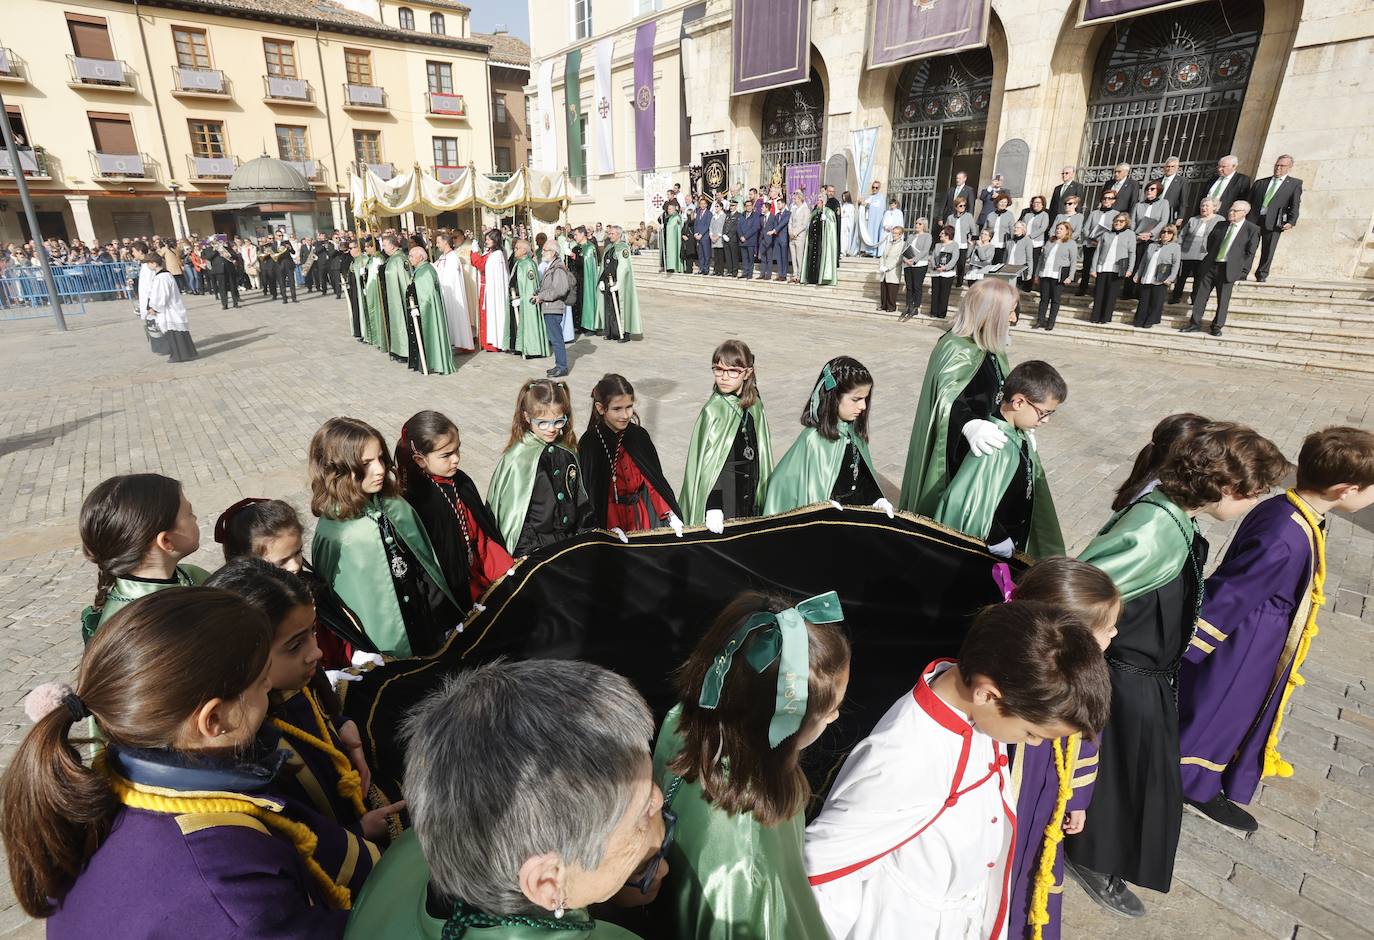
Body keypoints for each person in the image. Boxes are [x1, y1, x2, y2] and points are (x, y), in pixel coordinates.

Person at [2, 589, 374, 936]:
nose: (269, 693)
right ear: (213, 721)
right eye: (262, 684)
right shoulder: (231, 889)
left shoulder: (110, 791)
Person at [1066, 422, 1288, 917]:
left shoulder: (1179, 518)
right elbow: (1080, 600)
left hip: (1149, 674)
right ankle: (1093, 857)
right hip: (1122, 676)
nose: (1255, 506)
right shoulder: (1151, 529)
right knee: (1116, 775)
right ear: (1227, 489)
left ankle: (1104, 853)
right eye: (1254, 495)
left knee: (1137, 775)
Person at [805, 601, 1112, 940]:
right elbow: (822, 870)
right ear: (987, 694)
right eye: (1032, 734)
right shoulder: (905, 756)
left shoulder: (983, 708)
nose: (1035, 745)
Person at [344, 659, 661, 939]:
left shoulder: (408, 850)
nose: (659, 800)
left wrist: (593, 879)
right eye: (642, 812)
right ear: (547, 883)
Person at [1178, 426, 1374, 833]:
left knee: (1234, 713)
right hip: (1246, 640)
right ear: (1344, 490)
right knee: (1219, 709)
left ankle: (1205, 779)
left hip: (1263, 634)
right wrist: (1188, 646)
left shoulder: (1288, 509)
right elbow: (1233, 592)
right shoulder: (1285, 534)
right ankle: (1185, 780)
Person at [653, 590, 850, 940]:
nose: (835, 715)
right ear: (781, 727)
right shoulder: (746, 861)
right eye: (829, 709)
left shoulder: (684, 722)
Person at [206, 558, 404, 844]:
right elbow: (291, 840)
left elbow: (327, 712)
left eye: (313, 632)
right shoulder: (245, 741)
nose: (317, 653)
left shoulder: (297, 678)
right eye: (295, 645)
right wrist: (358, 833)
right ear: (243, 656)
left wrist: (343, 726)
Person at [1002, 558, 1121, 940]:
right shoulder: (1015, 698)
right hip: (1013, 812)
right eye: (1105, 629)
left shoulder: (1088, 678)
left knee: (1034, 875)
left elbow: (1088, 740)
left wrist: (1078, 799)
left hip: (1048, 809)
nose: (1114, 634)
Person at [309, 416, 462, 657]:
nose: (380, 469)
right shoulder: (335, 535)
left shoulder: (395, 505)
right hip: (383, 647)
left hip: (424, 625)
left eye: (380, 458)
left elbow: (425, 566)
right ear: (337, 469)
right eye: (366, 463)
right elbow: (339, 608)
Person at [898, 278, 1018, 517]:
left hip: (983, 449)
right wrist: (969, 424)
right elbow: (947, 398)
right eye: (1011, 312)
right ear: (990, 313)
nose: (1014, 319)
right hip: (956, 451)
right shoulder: (957, 347)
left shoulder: (989, 346)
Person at [213, 496, 375, 668]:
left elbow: (336, 637)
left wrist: (354, 654)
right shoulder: (251, 616)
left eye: (297, 552)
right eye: (281, 562)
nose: (295, 565)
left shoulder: (310, 586)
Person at [933, 360, 1066, 558]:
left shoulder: (1019, 434)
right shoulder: (993, 446)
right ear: (1019, 402)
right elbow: (964, 504)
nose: (1046, 420)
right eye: (1043, 413)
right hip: (992, 550)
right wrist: (995, 535)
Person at [396, 410, 513, 610]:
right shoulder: (418, 501)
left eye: (457, 450)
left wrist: (505, 569)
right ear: (419, 459)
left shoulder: (462, 481)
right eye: (446, 455)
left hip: (482, 568)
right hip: (455, 590)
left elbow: (482, 536)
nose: (456, 459)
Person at [77, 472, 207, 642]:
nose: (195, 517)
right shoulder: (136, 629)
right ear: (166, 541)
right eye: (189, 513)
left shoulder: (192, 575)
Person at [764, 356, 891, 515]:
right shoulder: (813, 441)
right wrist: (820, 505)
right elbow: (781, 484)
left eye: (865, 399)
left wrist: (876, 498)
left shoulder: (852, 433)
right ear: (834, 397)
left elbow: (860, 479)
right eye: (856, 399)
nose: (863, 406)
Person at [486, 379, 595, 555]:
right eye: (542, 423)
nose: (551, 429)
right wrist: (532, 551)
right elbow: (515, 518)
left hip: (570, 539)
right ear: (527, 417)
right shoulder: (518, 459)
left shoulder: (567, 451)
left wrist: (587, 532)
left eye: (559, 421)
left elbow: (579, 499)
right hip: (536, 546)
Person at [680, 339, 774, 531]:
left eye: (733, 371)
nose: (724, 377)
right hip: (726, 498)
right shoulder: (713, 410)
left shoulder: (755, 405)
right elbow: (708, 466)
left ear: (747, 373)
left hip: (750, 491)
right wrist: (713, 506)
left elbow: (762, 452)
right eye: (718, 370)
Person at [578, 374, 684, 534]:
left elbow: (653, 482)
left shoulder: (639, 436)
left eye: (629, 407)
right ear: (601, 408)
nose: (625, 415)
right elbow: (593, 494)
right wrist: (610, 527)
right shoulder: (591, 442)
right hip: (609, 520)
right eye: (617, 409)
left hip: (640, 518)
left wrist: (669, 512)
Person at [1182, 200, 1260, 337]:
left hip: (1229, 269)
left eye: (1235, 211)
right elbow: (1210, 241)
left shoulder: (1252, 229)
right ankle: (1194, 323)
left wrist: (1241, 270)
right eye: (1230, 210)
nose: (1231, 213)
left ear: (1244, 213)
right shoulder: (1221, 225)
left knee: (1223, 299)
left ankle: (1217, 326)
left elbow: (1250, 252)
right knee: (1201, 295)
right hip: (1211, 265)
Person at [1247, 154, 1302, 282]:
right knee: (1249, 248)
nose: (1278, 168)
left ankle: (1262, 274)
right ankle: (1243, 272)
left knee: (1268, 249)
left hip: (1274, 221)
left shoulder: (1294, 184)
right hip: (1254, 219)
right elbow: (1248, 201)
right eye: (1277, 165)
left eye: (1282, 166)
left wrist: (1291, 221)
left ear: (1289, 167)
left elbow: (1295, 204)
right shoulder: (1261, 182)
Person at [406, 245, 457, 374]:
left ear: (421, 257)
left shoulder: (426, 271)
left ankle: (433, 362)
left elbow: (428, 296)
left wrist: (419, 308)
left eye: (412, 256)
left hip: (425, 312)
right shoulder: (419, 270)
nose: (409, 258)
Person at [143, 254, 199, 362]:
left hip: (169, 309)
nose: (147, 266)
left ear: (154, 263)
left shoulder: (161, 277)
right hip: (170, 307)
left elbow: (161, 295)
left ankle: (178, 355)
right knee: (177, 332)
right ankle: (185, 353)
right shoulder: (164, 275)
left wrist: (154, 307)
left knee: (174, 332)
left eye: (148, 263)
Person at [1170, 197, 1223, 305]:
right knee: (1181, 277)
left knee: (1199, 278)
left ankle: (1195, 299)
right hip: (1186, 252)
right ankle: (1176, 296)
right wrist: (1178, 247)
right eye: (1202, 205)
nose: (1204, 208)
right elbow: (1182, 234)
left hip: (1204, 254)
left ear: (1214, 207)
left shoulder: (1220, 220)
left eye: (1207, 206)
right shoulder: (1193, 219)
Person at [534, 242, 574, 377]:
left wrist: (542, 296)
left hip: (554, 308)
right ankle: (559, 364)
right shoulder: (551, 267)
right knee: (555, 338)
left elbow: (560, 290)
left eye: (545, 250)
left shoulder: (558, 268)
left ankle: (562, 367)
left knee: (557, 339)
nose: (543, 252)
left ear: (553, 252)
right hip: (550, 307)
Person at [1126, 180, 1171, 300]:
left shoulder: (1164, 203)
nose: (1149, 191)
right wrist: (1137, 235)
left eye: (1152, 189)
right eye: (1147, 189)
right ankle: (1129, 291)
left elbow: (1163, 221)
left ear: (1158, 191)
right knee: (1134, 264)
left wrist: (1151, 234)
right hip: (1138, 239)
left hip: (1153, 240)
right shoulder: (1138, 205)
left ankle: (1141, 293)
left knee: (1147, 264)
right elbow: (1133, 222)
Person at [1131, 223, 1181, 329]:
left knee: (1156, 301)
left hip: (1161, 278)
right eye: (1163, 232)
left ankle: (1150, 320)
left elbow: (1176, 264)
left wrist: (1171, 278)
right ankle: (1139, 319)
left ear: (1173, 235)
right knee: (1144, 300)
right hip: (1148, 275)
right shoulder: (1152, 245)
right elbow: (1143, 262)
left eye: (1169, 233)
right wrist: (1138, 274)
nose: (1165, 235)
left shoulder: (1175, 247)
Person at [1033, 221, 1080, 331]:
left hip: (1058, 275)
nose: (1058, 230)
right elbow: (1041, 258)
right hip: (1045, 273)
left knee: (1055, 299)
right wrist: (1037, 274)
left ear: (1067, 231)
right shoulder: (1050, 241)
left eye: (1061, 229)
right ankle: (1040, 320)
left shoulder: (1071, 243)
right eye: (1057, 228)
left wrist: (1070, 276)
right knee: (1044, 299)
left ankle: (1051, 322)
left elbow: (1073, 262)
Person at [433, 231, 476, 353]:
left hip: (453, 295)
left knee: (456, 318)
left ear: (446, 242)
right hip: (446, 295)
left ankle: (462, 343)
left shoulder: (453, 257)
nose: (437, 245)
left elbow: (449, 277)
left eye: (438, 242)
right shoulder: (442, 257)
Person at [1089, 212, 1135, 324]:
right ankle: (1095, 317)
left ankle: (1105, 318)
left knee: (1111, 294)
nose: (1118, 223)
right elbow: (1098, 251)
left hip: (1118, 268)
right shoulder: (1106, 234)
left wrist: (1130, 269)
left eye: (1121, 221)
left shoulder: (1130, 234)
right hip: (1103, 266)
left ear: (1126, 223)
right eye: (1116, 221)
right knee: (1099, 293)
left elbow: (1132, 253)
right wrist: (1093, 268)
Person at [597, 226, 641, 342]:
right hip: (608, 282)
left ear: (618, 235)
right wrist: (601, 279)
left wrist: (618, 283)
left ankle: (623, 333)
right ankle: (611, 332)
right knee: (609, 308)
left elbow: (624, 267)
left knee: (621, 308)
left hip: (618, 282)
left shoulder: (623, 248)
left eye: (612, 233)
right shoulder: (608, 248)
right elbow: (604, 266)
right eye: (609, 233)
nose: (609, 235)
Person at [472, 229, 512, 352]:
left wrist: (474, 252)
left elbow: (480, 265)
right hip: (486, 287)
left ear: (495, 240)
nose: (486, 241)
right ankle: (487, 341)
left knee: (491, 314)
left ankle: (493, 342)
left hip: (492, 288)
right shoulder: (490, 252)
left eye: (489, 239)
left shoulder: (497, 254)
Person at [501, 238, 541, 360]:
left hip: (523, 301)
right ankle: (518, 346)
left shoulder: (528, 264)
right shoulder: (519, 262)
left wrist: (522, 298)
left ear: (524, 250)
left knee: (526, 323)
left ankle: (530, 348)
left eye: (517, 248)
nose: (515, 250)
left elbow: (530, 286)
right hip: (515, 298)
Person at [1076, 190, 1117, 296]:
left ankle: (1097, 290)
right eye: (1104, 198)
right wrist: (1091, 238)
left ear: (1113, 201)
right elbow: (1086, 228)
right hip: (1090, 244)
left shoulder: (1116, 214)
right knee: (1087, 267)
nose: (1106, 200)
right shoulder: (1094, 213)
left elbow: (1115, 230)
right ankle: (1082, 288)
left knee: (1099, 268)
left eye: (1109, 198)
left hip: (1104, 246)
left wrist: (1102, 241)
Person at [379, 235, 412, 362]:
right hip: (392, 297)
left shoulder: (400, 259)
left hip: (399, 297)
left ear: (392, 245)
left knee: (401, 320)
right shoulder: (391, 259)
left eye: (385, 245)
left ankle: (404, 350)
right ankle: (398, 348)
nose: (383, 248)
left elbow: (405, 280)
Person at [1196, 154, 1251, 218]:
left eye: (1223, 167)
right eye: (1219, 166)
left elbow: (1242, 200)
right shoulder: (1213, 178)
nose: (1219, 169)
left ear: (1234, 166)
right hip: (1206, 214)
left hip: (1224, 216)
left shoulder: (1242, 180)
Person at [901, 218, 932, 321]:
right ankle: (908, 305)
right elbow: (904, 249)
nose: (917, 225)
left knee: (917, 286)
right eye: (916, 223)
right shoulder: (910, 236)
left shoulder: (927, 236)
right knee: (909, 286)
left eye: (919, 224)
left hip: (920, 264)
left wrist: (914, 260)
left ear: (924, 225)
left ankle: (916, 306)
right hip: (908, 264)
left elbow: (925, 251)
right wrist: (905, 260)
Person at [575, 226, 604, 334]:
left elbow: (588, 263)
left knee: (588, 299)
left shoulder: (590, 247)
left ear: (582, 235)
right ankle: (581, 324)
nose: (575, 237)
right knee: (580, 301)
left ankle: (590, 325)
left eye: (576, 234)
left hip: (587, 278)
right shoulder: (577, 247)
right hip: (579, 278)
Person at [928, 226, 960, 319]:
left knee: (944, 293)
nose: (939, 235)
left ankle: (942, 313)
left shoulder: (954, 245)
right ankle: (933, 312)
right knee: (935, 292)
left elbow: (954, 259)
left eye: (942, 233)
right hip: (936, 272)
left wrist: (945, 268)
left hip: (947, 273)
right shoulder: (938, 245)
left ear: (947, 235)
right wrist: (935, 266)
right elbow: (933, 256)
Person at [946, 197, 976, 283]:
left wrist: (972, 243)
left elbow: (974, 231)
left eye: (964, 205)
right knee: (951, 263)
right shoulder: (950, 217)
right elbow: (946, 230)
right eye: (961, 205)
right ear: (956, 207)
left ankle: (959, 282)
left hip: (963, 245)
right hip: (952, 245)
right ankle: (950, 281)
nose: (963, 207)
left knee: (961, 265)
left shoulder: (969, 216)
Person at [876, 224, 904, 312]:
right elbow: (883, 256)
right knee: (884, 288)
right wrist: (881, 265)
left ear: (900, 235)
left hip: (893, 270)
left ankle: (891, 306)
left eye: (896, 233)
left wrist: (888, 267)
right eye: (893, 233)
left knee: (891, 289)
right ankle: (883, 305)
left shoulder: (902, 244)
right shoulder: (889, 243)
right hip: (884, 269)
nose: (894, 235)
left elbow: (899, 259)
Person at [1021, 195, 1051, 275]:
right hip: (1025, 242)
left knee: (1032, 263)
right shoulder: (1028, 215)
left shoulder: (1045, 215)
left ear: (1042, 204)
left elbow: (1042, 228)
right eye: (1034, 202)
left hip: (1036, 244)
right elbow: (1022, 225)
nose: (1036, 204)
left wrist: (1030, 236)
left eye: (1038, 203)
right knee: (1023, 262)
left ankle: (1029, 283)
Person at [787, 189, 810, 284]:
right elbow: (790, 222)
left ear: (800, 198)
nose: (794, 200)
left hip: (800, 236)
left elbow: (804, 224)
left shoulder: (806, 210)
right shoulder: (794, 210)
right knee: (793, 256)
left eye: (795, 198)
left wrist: (796, 233)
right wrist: (790, 232)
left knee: (799, 256)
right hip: (792, 236)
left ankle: (800, 275)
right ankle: (795, 274)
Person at [986, 193, 1016, 263]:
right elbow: (985, 228)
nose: (1003, 204)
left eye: (1005, 202)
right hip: (990, 243)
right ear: (997, 203)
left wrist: (1013, 242)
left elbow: (1012, 229)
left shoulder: (1010, 215)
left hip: (1002, 244)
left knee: (999, 263)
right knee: (989, 263)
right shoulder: (990, 215)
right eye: (1001, 202)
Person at [1007, 221, 1035, 293]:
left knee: (1015, 292)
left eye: (1018, 228)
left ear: (1023, 229)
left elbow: (1029, 258)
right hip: (1008, 269)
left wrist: (1029, 273)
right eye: (1015, 227)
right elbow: (1005, 255)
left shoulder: (1027, 240)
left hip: (1019, 271)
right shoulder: (1010, 240)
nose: (1015, 229)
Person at [860, 179, 885, 257]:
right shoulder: (869, 196)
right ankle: (867, 251)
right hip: (868, 219)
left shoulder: (881, 197)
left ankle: (873, 251)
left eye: (876, 187)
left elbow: (879, 208)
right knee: (867, 234)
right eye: (873, 187)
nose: (874, 189)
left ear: (879, 188)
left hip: (875, 220)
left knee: (874, 234)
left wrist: (867, 205)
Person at [738, 197, 762, 279]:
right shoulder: (742, 215)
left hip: (750, 240)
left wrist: (745, 236)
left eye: (750, 205)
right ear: (745, 207)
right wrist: (741, 236)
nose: (748, 207)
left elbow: (755, 227)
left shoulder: (755, 215)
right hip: (742, 240)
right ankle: (745, 272)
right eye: (747, 206)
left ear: (752, 206)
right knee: (744, 258)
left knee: (750, 258)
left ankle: (750, 274)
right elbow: (738, 227)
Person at [692, 196, 713, 275]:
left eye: (704, 204)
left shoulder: (709, 213)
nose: (702, 205)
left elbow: (707, 225)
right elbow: (696, 224)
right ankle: (701, 268)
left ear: (706, 205)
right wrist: (695, 233)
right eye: (701, 204)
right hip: (698, 237)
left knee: (706, 254)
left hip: (705, 237)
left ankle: (706, 269)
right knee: (700, 254)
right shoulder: (698, 213)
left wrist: (701, 234)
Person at [664, 203, 685, 274]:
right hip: (669, 240)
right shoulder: (669, 218)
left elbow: (680, 226)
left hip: (675, 240)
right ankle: (670, 266)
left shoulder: (677, 217)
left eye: (670, 209)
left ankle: (676, 266)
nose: (668, 210)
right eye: (668, 209)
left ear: (674, 209)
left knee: (675, 252)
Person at [840, 190, 856, 257]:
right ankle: (842, 250)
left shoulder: (851, 206)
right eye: (843, 196)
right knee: (842, 237)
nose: (843, 198)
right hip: (842, 222)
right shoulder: (843, 205)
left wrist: (844, 214)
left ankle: (846, 250)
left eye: (844, 196)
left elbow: (851, 216)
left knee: (846, 237)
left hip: (847, 223)